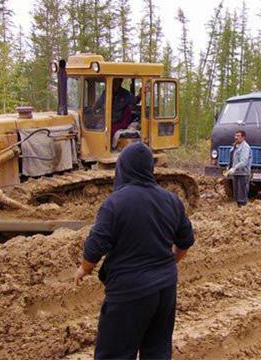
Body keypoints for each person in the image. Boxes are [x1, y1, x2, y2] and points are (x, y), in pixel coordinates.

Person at [74, 142, 195, 360]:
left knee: (115, 354)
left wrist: (84, 269)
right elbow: (185, 241)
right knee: (157, 351)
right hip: (165, 289)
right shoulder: (172, 200)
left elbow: (95, 246)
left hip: (128, 293)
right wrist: (169, 263)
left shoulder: (114, 203)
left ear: (123, 168)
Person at [225, 130, 252, 207]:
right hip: (236, 173)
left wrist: (234, 168)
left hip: (243, 173)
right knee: (236, 193)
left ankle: (243, 209)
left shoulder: (245, 147)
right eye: (235, 135)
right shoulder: (235, 146)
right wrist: (228, 168)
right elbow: (231, 159)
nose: (236, 137)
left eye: (238, 136)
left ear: (243, 137)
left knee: (242, 193)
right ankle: (238, 207)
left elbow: (243, 162)